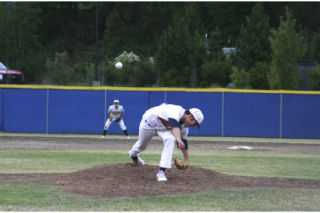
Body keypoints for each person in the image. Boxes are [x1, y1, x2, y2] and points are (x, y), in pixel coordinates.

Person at [128, 103, 204, 182]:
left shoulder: (184, 128)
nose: (193, 126)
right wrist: (178, 140)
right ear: (191, 117)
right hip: (149, 122)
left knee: (170, 139)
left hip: (164, 129)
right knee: (141, 145)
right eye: (195, 123)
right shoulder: (176, 110)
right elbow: (174, 125)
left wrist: (186, 159)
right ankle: (133, 155)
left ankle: (161, 171)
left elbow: (184, 141)